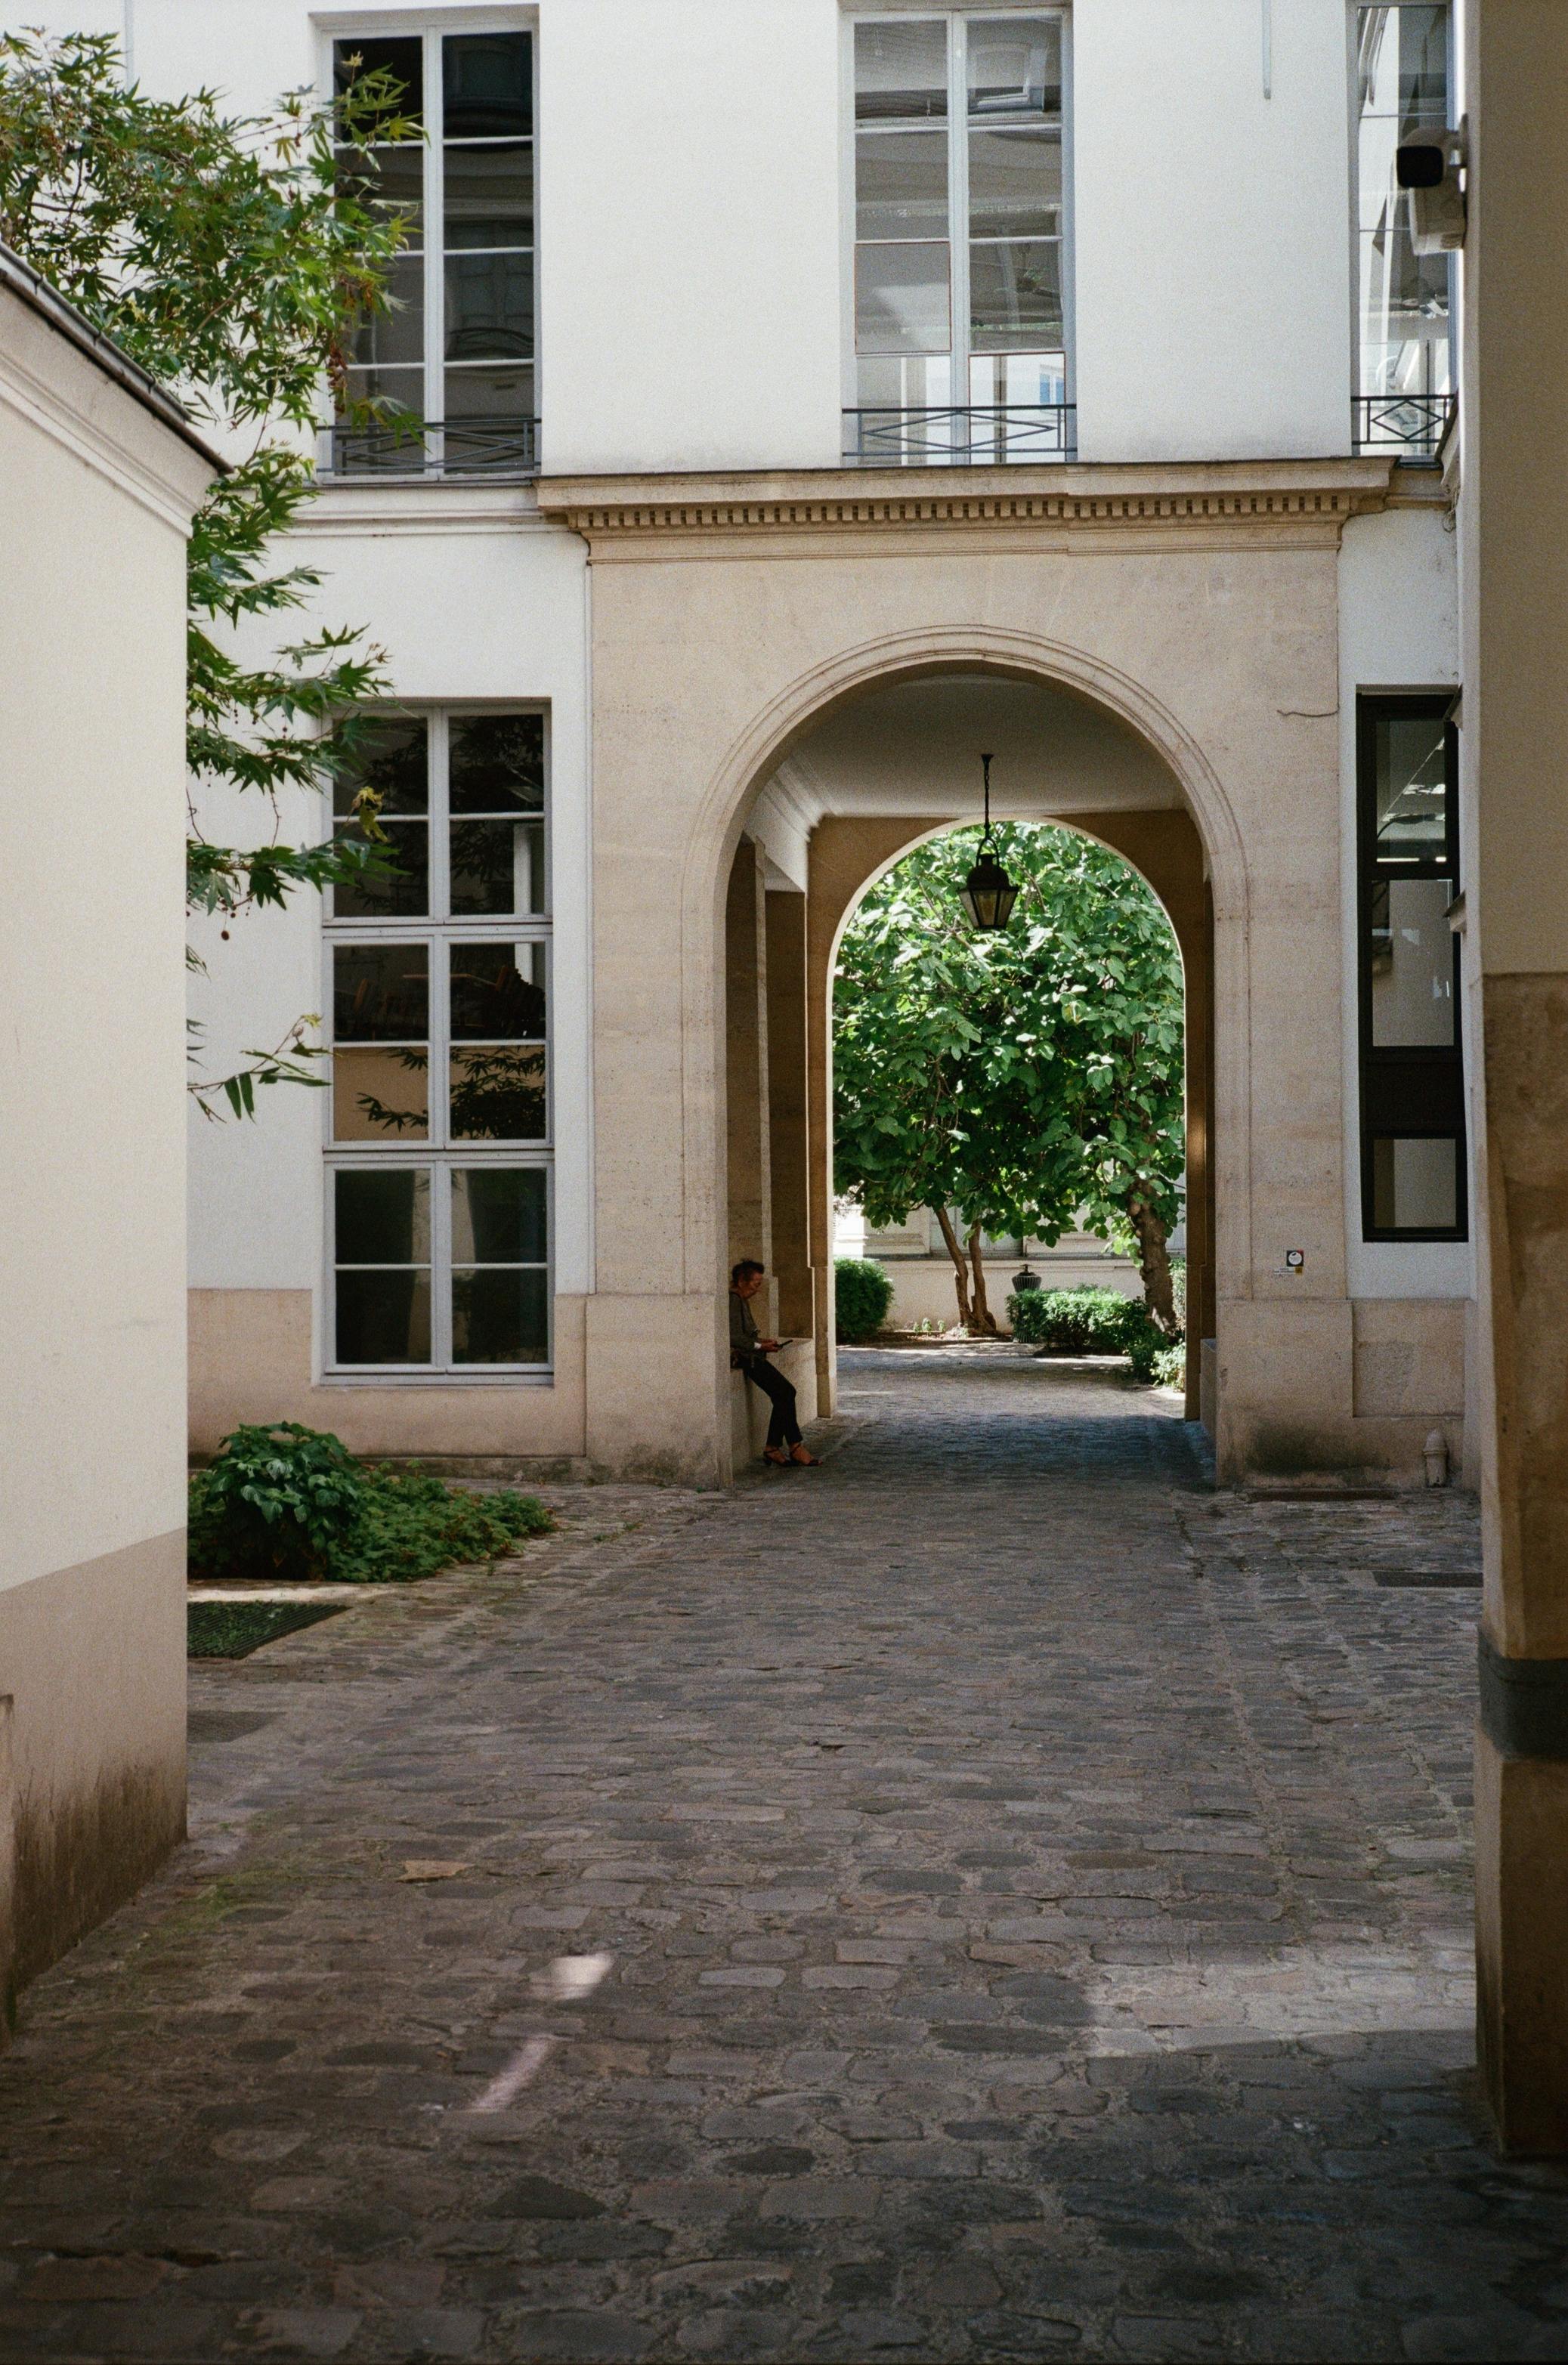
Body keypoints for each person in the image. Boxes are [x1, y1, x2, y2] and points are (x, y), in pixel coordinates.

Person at [729, 1260, 821, 1467]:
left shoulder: (740, 1300)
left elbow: (744, 1335)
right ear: (742, 1281)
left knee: (784, 1394)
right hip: (746, 1359)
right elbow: (733, 1336)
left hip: (752, 1356)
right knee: (786, 1392)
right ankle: (792, 1446)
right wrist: (761, 1347)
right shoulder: (733, 1300)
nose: (758, 1288)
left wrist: (763, 1342)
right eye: (755, 1283)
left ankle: (777, 1447)